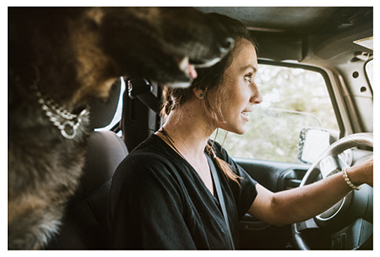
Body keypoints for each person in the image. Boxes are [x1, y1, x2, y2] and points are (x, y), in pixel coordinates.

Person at [108, 13, 373, 250]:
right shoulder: (147, 176)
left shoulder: (213, 154)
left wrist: (355, 174)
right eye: (247, 77)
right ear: (199, 85)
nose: (258, 96)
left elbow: (274, 207)